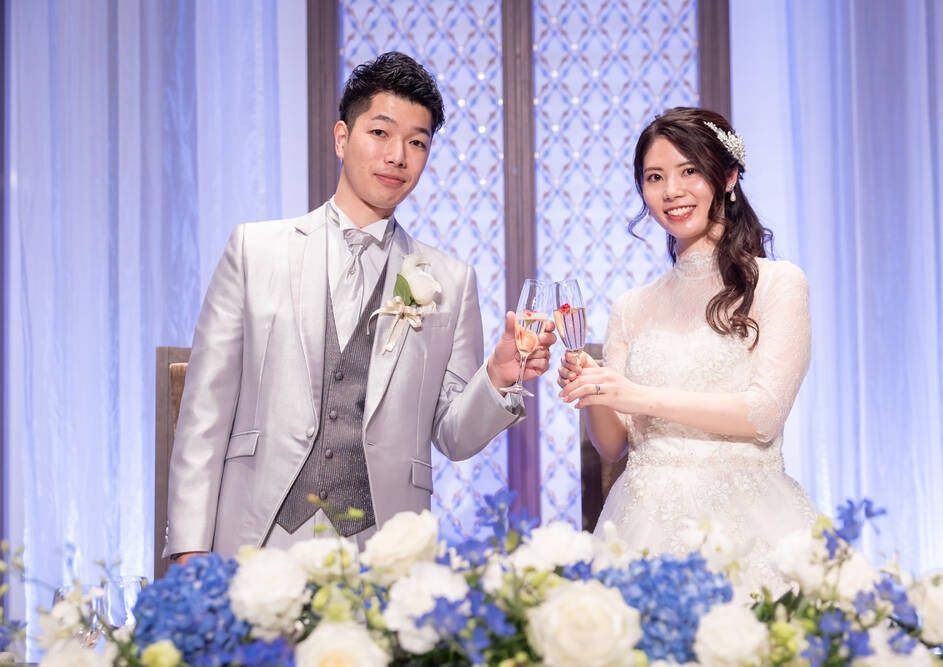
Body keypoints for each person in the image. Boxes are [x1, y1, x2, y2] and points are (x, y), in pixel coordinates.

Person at [165, 52, 555, 563]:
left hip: (383, 549)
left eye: (417, 142)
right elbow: (204, 412)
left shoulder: (451, 281)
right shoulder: (255, 251)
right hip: (258, 539)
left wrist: (499, 377)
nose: (398, 156)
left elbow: (454, 437)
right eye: (380, 133)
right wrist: (191, 550)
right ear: (342, 137)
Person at [559, 107, 815, 596]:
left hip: (746, 519)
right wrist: (595, 391)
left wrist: (638, 395)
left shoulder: (779, 284)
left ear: (728, 177)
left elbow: (764, 415)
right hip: (642, 519)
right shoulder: (631, 306)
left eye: (689, 171)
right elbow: (613, 445)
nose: (671, 191)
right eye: (655, 177)